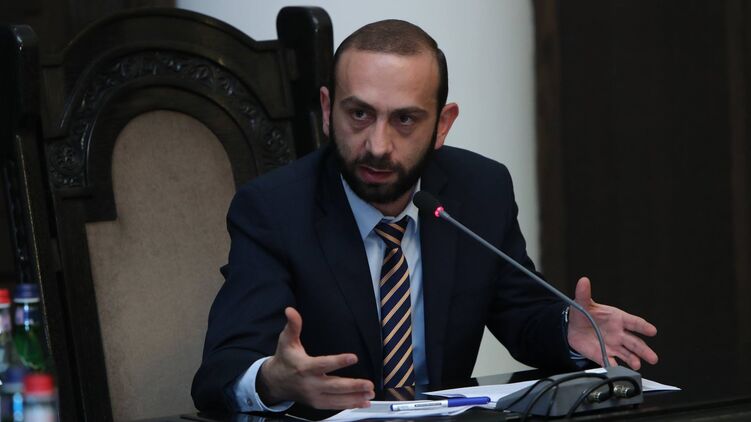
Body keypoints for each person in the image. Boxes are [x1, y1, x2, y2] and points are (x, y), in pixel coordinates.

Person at [191, 19, 658, 413]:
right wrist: (272, 380)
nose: (377, 145)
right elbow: (221, 370)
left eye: (405, 120)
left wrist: (567, 330)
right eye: (359, 114)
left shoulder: (479, 191)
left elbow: (520, 315)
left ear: (442, 124)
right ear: (329, 110)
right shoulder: (274, 209)